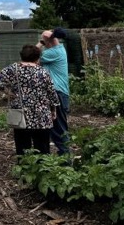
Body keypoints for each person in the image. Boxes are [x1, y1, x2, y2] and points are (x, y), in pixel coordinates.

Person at [0, 44, 60, 156]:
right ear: (37, 58)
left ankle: (24, 170)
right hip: (41, 116)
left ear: (22, 56)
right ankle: (43, 170)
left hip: (21, 115)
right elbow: (51, 94)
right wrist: (53, 110)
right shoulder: (43, 72)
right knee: (42, 148)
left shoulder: (13, 69)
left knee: (22, 148)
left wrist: (7, 92)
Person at [38, 28, 71, 156]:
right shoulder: (58, 50)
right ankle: (64, 158)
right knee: (56, 127)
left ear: (49, 42)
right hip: (58, 93)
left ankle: (66, 161)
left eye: (44, 42)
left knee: (59, 129)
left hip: (56, 93)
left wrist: (41, 43)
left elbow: (30, 56)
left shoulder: (53, 53)